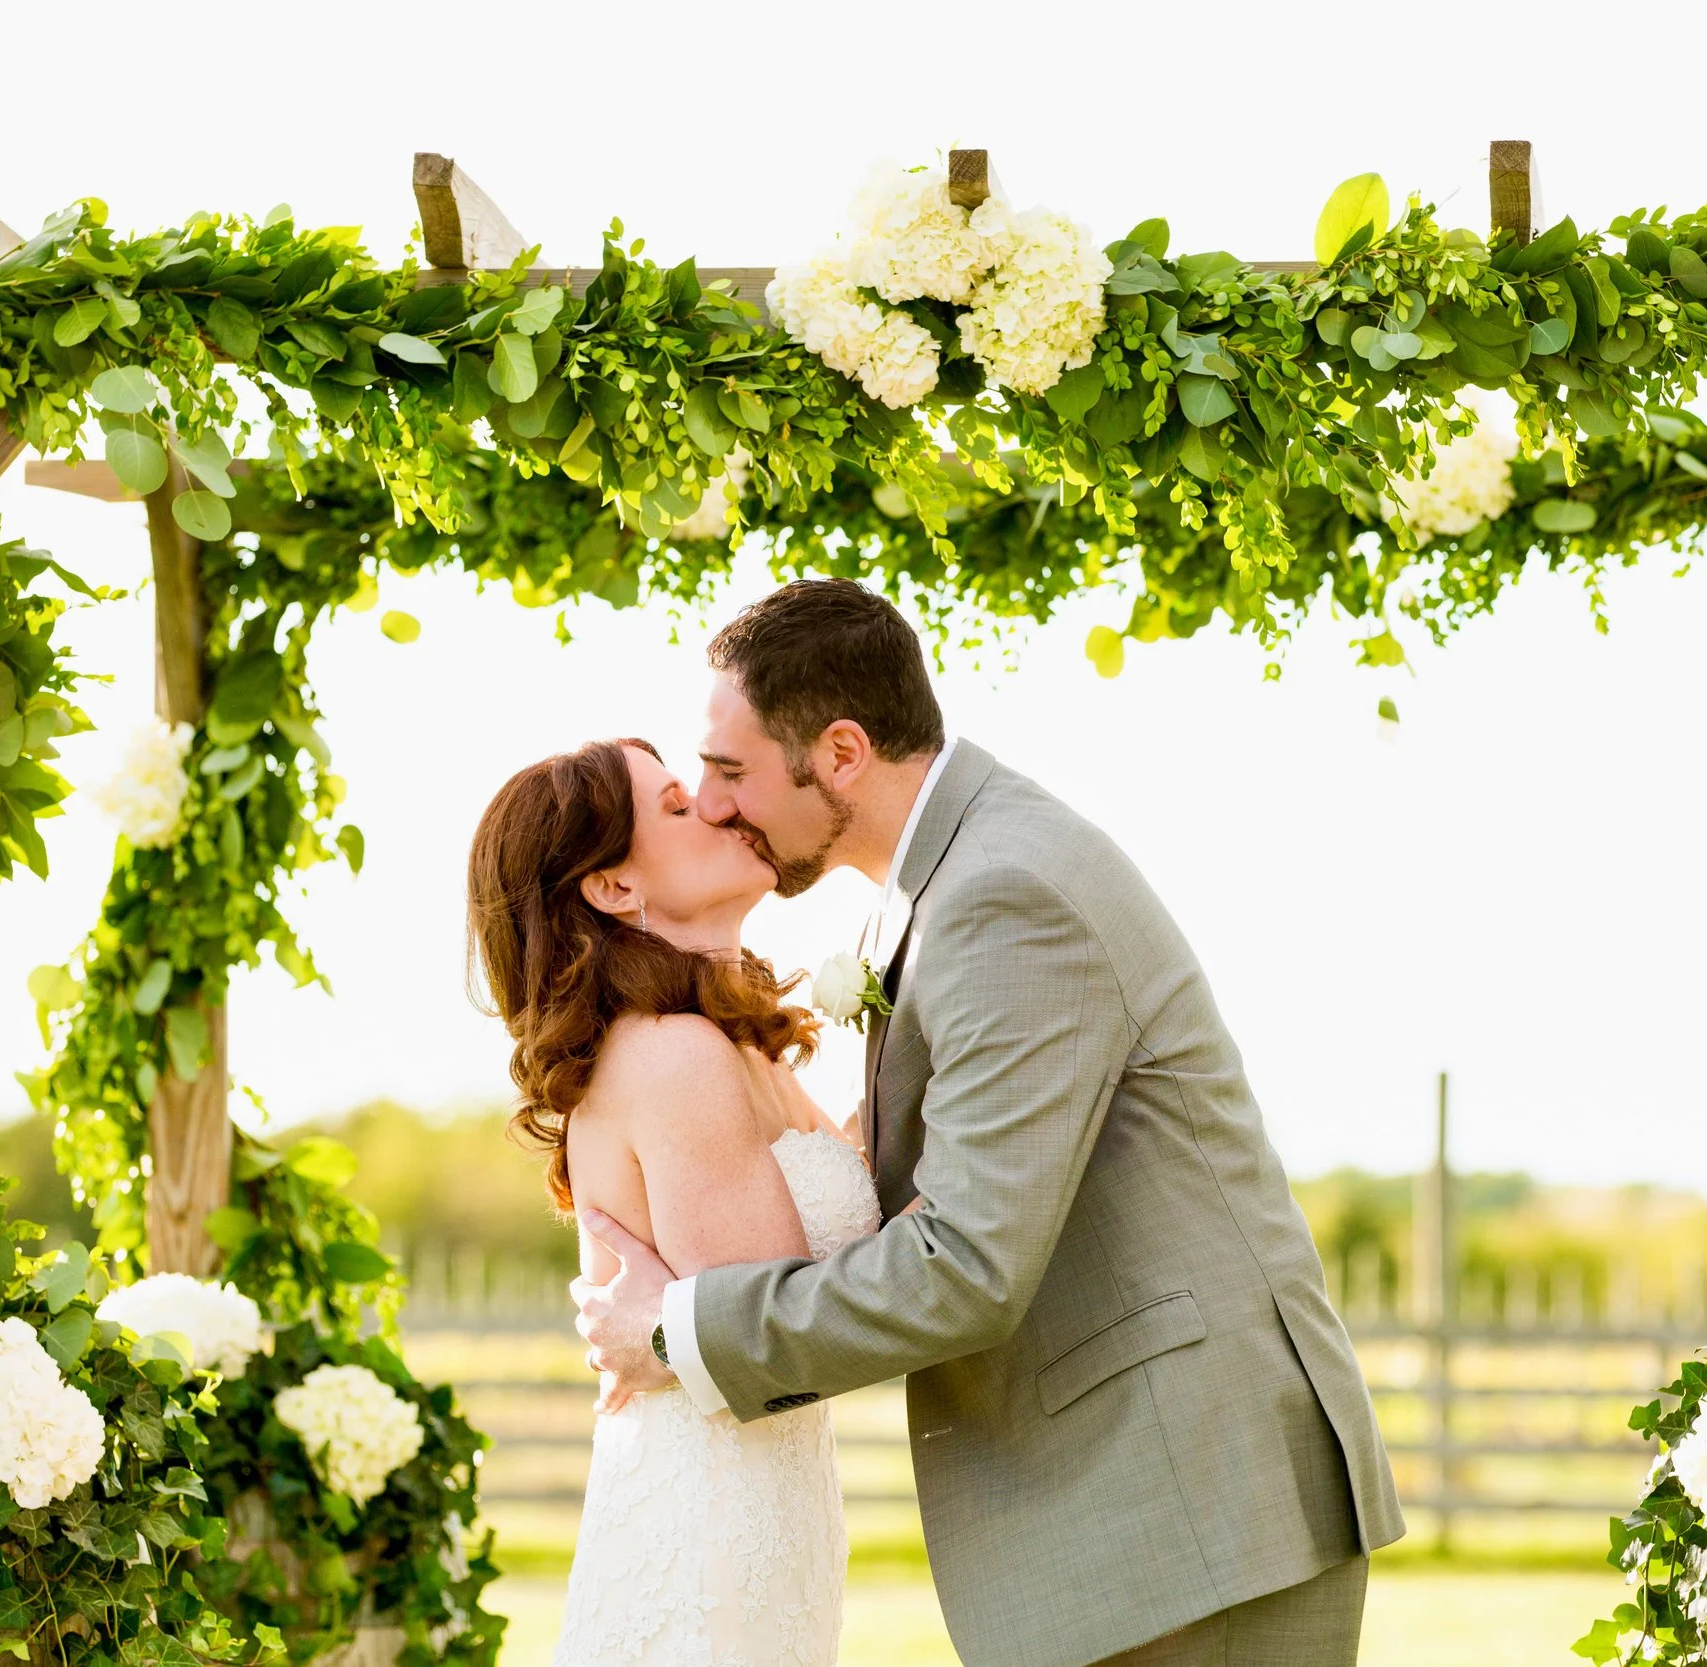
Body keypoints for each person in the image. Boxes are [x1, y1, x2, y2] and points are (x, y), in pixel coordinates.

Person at [573, 579, 1404, 1667]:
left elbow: (965, 1263)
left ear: (839, 752)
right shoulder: (951, 881)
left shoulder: (1001, 892)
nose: (717, 803)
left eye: (729, 773)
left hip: (1187, 1511)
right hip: (1151, 1511)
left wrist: (675, 1329)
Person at [466, 736, 880, 1667]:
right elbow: (777, 1343)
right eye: (681, 806)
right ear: (613, 887)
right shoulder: (670, 1055)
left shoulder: (728, 1044)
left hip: (766, 1529)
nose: (726, 809)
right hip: (707, 1551)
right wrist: (668, 1335)